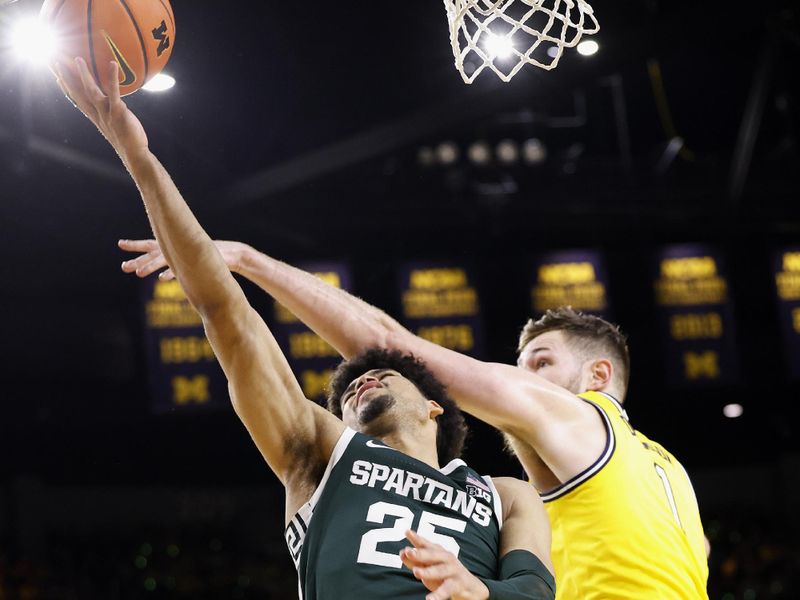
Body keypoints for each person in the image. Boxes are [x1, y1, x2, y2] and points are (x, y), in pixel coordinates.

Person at [55, 58, 555, 600]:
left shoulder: (504, 495)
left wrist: (479, 593)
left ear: (435, 405)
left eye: (380, 373)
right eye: (342, 393)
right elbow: (228, 316)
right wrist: (138, 157)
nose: (357, 383)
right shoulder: (319, 456)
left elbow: (534, 591)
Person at [121, 240, 710, 599]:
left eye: (540, 362)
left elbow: (386, 343)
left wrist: (248, 262)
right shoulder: (671, 473)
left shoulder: (575, 417)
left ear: (599, 377)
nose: (522, 377)